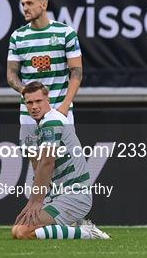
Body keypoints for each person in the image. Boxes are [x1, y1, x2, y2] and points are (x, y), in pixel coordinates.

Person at [11, 82, 109, 240]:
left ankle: (87, 233)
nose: (34, 106)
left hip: (74, 197)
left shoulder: (51, 123)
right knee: (17, 230)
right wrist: (36, 201)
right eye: (29, 102)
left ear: (47, 100)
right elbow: (42, 167)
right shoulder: (46, 122)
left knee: (23, 231)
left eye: (38, 101)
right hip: (61, 195)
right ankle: (76, 225)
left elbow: (47, 163)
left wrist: (36, 202)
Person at [7, 0, 83, 154]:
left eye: (29, 3)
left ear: (43, 4)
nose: (25, 8)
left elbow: (76, 72)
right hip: (30, 112)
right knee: (37, 163)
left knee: (62, 161)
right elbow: (11, 74)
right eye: (23, 4)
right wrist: (25, 91)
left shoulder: (65, 33)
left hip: (58, 107)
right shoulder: (17, 36)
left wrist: (65, 105)